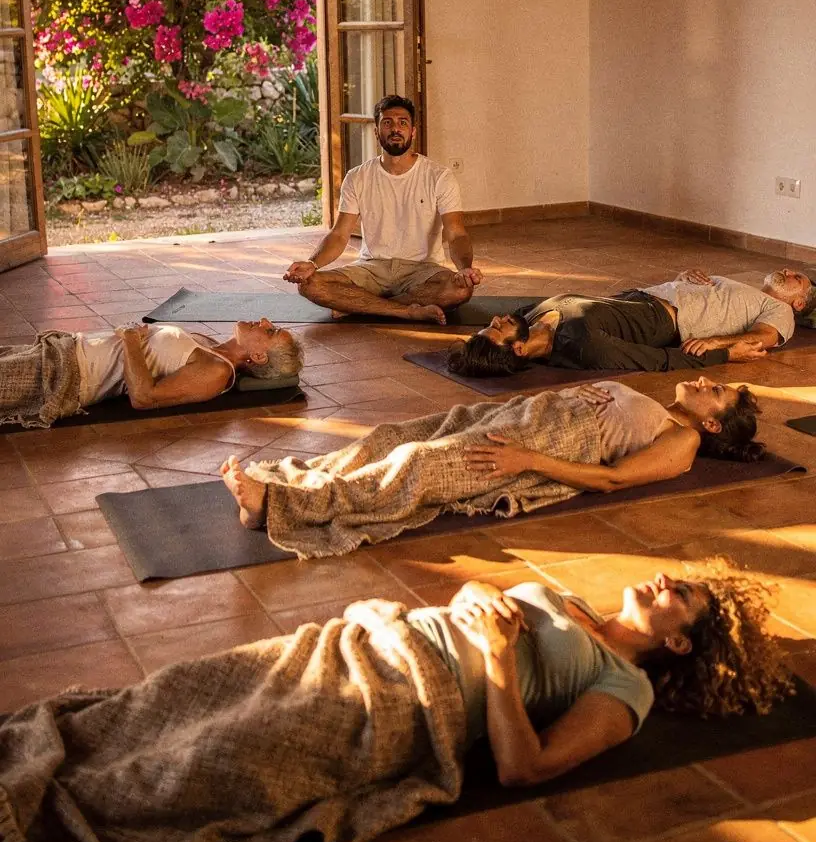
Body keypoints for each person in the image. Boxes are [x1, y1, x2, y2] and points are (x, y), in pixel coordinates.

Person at [0, 562, 793, 842]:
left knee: (204, 756)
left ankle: (33, 804)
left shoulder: (626, 691)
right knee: (168, 694)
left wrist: (490, 658)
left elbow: (524, 767)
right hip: (363, 641)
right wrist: (478, 596)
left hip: (404, 701)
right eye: (674, 576)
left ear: (682, 641)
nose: (662, 579)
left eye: (679, 594)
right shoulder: (575, 603)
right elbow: (478, 596)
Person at [220, 376, 762, 557]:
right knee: (394, 435)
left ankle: (282, 506)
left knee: (418, 463)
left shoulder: (683, 440)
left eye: (715, 394)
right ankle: (293, 478)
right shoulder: (661, 407)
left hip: (546, 443)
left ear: (712, 425)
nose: (706, 383)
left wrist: (527, 460)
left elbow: (613, 479)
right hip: (525, 413)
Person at [283, 93, 482, 324]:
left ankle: (359, 304)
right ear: (377, 131)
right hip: (371, 269)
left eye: (402, 123)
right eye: (387, 123)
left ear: (413, 131)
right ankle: (406, 310)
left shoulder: (439, 177)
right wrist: (312, 264)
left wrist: (465, 269)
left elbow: (456, 233)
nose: (395, 129)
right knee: (309, 285)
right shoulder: (357, 177)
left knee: (460, 291)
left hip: (423, 271)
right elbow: (339, 234)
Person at [447, 267, 816, 378]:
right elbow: (656, 360)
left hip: (647, 296)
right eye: (496, 328)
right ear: (519, 348)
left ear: (798, 304)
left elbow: (765, 336)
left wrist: (685, 282)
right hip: (662, 311)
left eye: (796, 277)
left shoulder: (780, 310)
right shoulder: (585, 344)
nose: (496, 318)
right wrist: (723, 351)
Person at [0, 319, 303, 429]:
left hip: (63, 376)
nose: (264, 321)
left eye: (271, 330)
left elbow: (144, 397)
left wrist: (131, 339)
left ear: (259, 357)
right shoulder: (210, 346)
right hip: (63, 348)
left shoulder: (216, 373)